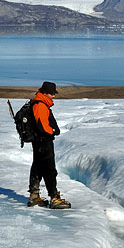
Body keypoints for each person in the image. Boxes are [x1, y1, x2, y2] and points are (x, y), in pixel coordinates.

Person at [28, 81, 71, 209]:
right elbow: (42, 126)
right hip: (43, 141)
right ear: (45, 93)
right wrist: (51, 131)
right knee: (49, 169)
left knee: (38, 167)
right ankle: (54, 197)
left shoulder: (39, 103)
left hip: (39, 141)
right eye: (52, 94)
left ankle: (34, 196)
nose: (54, 96)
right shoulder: (40, 105)